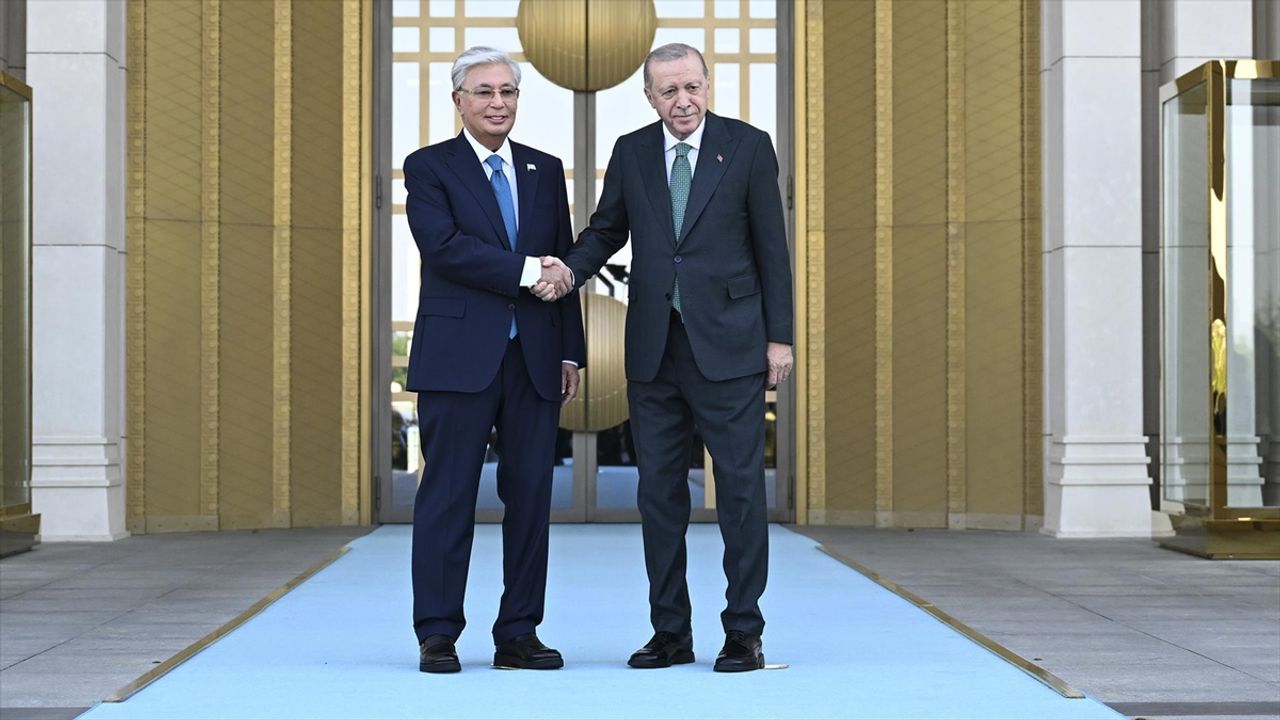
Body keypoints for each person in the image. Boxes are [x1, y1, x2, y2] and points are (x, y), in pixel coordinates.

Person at [536, 43, 794, 673]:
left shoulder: (748, 146)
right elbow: (607, 229)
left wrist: (779, 338)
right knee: (658, 496)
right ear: (649, 97)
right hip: (654, 349)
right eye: (669, 91)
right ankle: (670, 632)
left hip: (731, 346)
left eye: (692, 87)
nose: (683, 101)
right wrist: (567, 271)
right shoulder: (632, 152)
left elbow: (772, 247)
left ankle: (744, 632)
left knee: (739, 492)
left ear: (708, 85)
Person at [403, 46, 585, 674]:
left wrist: (570, 351)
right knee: (448, 496)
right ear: (459, 100)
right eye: (484, 91)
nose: (498, 102)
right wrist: (529, 271)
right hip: (458, 358)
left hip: (535, 358)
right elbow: (445, 248)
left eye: (507, 91)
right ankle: (437, 633)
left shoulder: (543, 168)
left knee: (531, 498)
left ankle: (519, 633)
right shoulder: (429, 166)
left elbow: (563, 261)